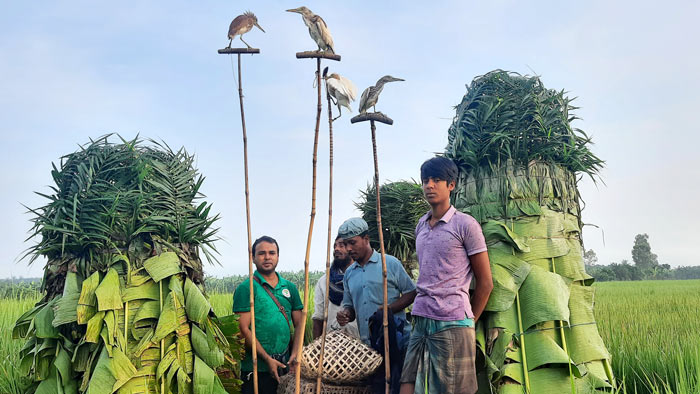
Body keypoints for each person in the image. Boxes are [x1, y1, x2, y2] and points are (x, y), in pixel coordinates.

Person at [399, 157, 493, 394]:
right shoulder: (421, 225)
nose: (429, 185)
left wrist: (469, 320)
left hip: (452, 321)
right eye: (425, 181)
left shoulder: (465, 225)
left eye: (436, 180)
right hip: (420, 317)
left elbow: (485, 282)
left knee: (455, 389)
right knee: (409, 384)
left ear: (451, 185)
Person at [233, 236, 305, 394]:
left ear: (278, 256)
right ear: (253, 258)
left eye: (272, 253)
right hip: (256, 368)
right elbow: (243, 328)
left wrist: (294, 354)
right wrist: (267, 359)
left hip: (285, 365)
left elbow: (300, 323)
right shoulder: (247, 288)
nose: (267, 257)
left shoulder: (289, 288)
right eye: (261, 253)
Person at [336, 217, 416, 347]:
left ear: (366, 239)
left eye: (352, 242)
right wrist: (345, 314)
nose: (348, 248)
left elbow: (411, 293)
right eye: (345, 244)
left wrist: (388, 310)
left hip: (397, 340)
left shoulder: (389, 264)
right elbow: (349, 307)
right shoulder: (349, 274)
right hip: (368, 346)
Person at [312, 235, 360, 339]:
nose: (336, 249)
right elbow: (318, 318)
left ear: (351, 249)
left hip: (360, 343)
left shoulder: (362, 278)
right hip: (332, 344)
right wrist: (316, 346)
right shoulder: (324, 281)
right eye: (335, 246)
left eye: (341, 245)